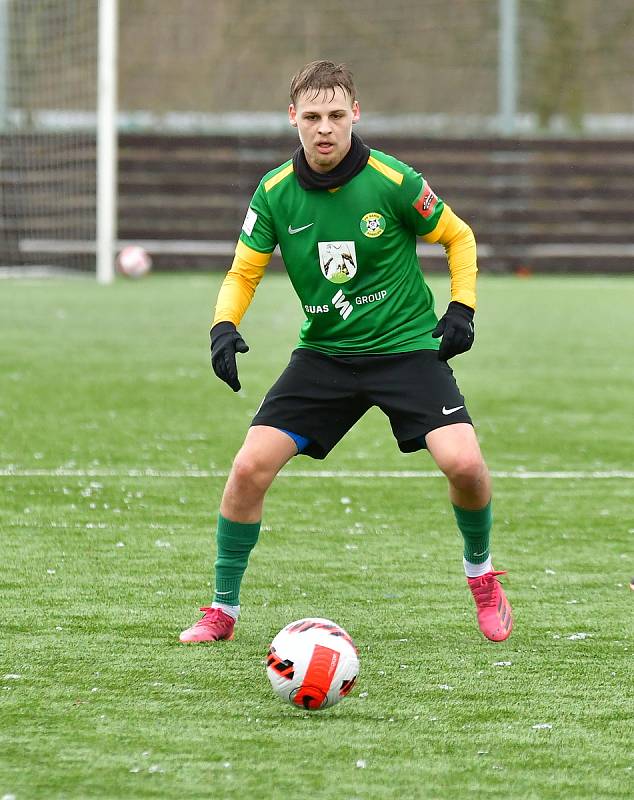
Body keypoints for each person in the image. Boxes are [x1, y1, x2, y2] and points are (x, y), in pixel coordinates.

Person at [179, 60, 512, 645]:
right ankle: (221, 609)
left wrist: (463, 307)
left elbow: (458, 235)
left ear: (355, 113)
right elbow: (244, 271)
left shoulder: (393, 179)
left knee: (463, 464)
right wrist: (223, 325)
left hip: (407, 349)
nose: (324, 128)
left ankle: (481, 574)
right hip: (326, 355)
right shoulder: (275, 192)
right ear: (293, 119)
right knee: (248, 468)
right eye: (312, 117)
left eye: (336, 115)